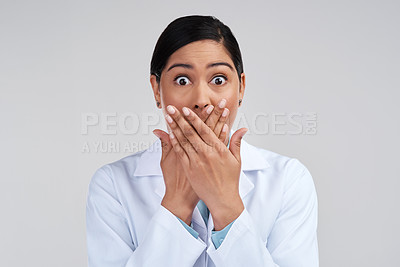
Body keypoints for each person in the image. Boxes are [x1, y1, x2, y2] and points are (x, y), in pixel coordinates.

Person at [86, 15, 319, 267]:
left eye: (218, 79)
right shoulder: (112, 184)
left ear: (240, 88)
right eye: (182, 80)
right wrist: (176, 204)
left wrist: (226, 204)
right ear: (156, 89)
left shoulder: (288, 180)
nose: (201, 99)